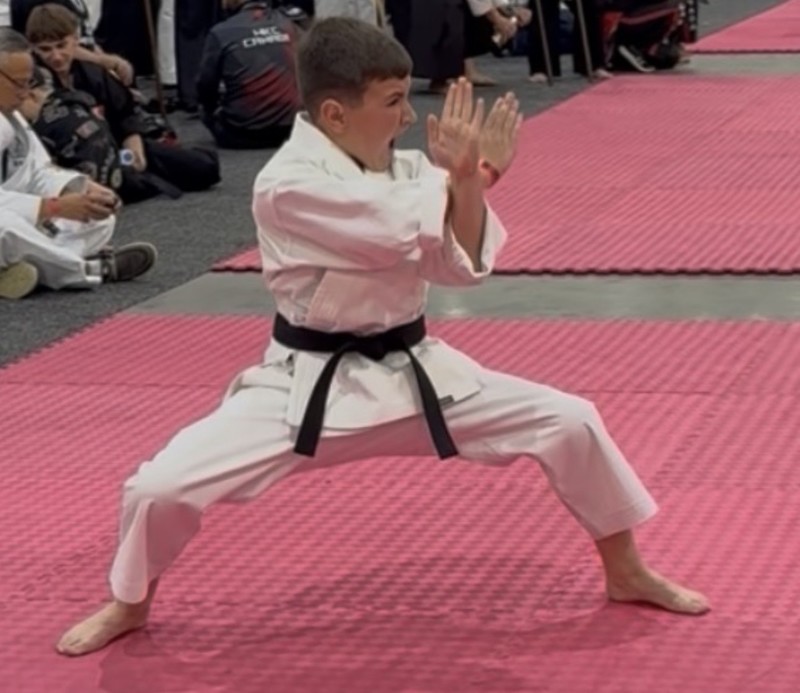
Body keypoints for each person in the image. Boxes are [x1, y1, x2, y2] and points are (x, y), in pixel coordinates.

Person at [55, 16, 709, 656]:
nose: (405, 116)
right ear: (335, 115)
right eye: (393, 102)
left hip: (415, 369)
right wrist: (471, 178)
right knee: (158, 487)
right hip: (303, 385)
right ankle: (130, 601)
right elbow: (388, 231)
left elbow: (458, 265)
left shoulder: (408, 169)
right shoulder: (287, 183)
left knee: (572, 420)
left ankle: (624, 569)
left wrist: (465, 183)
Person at [0, 28, 156, 299]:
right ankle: (89, 269)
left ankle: (29, 267)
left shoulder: (12, 118)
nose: (26, 93)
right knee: (7, 226)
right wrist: (53, 207)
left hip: (21, 214)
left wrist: (79, 189)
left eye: (29, 83)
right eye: (19, 83)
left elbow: (37, 171)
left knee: (98, 217)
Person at [27, 4, 221, 204]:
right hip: (74, 160)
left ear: (75, 40)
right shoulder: (31, 84)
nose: (56, 56)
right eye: (45, 49)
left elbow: (125, 110)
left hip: (117, 144)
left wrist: (133, 140)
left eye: (61, 45)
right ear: (33, 48)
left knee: (202, 168)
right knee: (122, 185)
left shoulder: (92, 72)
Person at [196, 0, 305, 149]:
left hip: (245, 133)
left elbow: (205, 85)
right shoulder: (289, 25)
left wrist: (210, 110)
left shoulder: (220, 32)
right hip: (295, 129)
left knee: (206, 107)